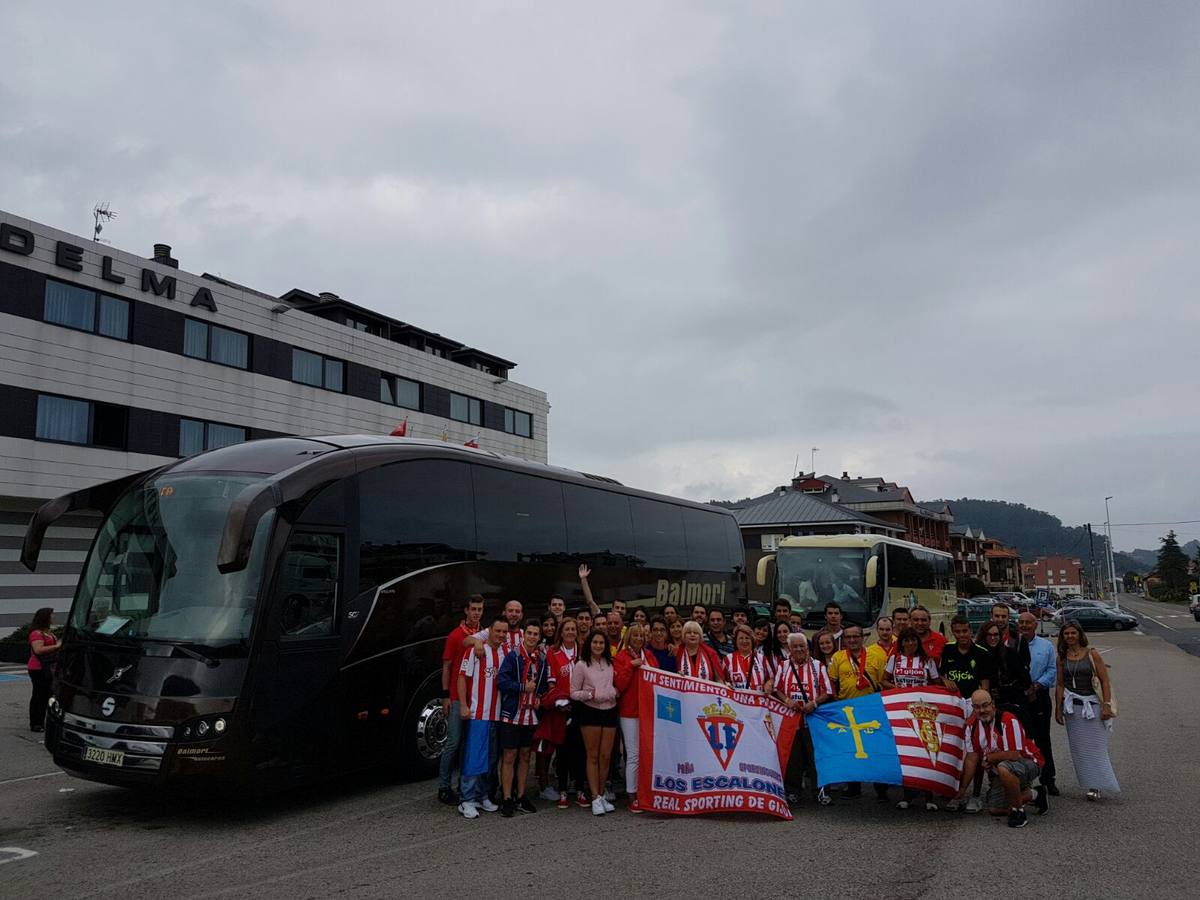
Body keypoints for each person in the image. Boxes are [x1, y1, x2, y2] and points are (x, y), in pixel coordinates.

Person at [955, 690, 1045, 828]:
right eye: (977, 707)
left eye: (985, 705)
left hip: (1029, 762)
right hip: (1001, 769)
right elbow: (972, 759)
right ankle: (1035, 794)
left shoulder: (1008, 720)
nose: (982, 710)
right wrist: (961, 790)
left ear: (993, 704)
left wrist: (989, 758)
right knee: (995, 809)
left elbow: (1014, 755)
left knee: (1005, 767)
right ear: (973, 708)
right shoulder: (971, 726)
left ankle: (1018, 812)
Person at [1055, 621, 1119, 802]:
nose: (1069, 636)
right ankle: (1090, 782)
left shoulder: (1092, 654)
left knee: (1097, 747)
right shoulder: (1062, 657)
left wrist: (1106, 704)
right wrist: (1058, 708)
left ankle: (1098, 784)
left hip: (1092, 706)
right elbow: (1060, 684)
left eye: (1073, 633)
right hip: (1073, 708)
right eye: (1066, 634)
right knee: (1079, 749)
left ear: (1079, 634)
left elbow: (1104, 680)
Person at [883, 628, 943, 811]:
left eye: (914, 640)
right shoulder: (895, 659)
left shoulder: (927, 661)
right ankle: (907, 796)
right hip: (901, 712)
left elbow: (936, 683)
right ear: (901, 642)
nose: (910, 644)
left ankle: (928, 797)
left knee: (926, 752)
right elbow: (883, 680)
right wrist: (897, 688)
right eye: (907, 640)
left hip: (923, 712)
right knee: (906, 753)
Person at [827, 625, 889, 800]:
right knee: (851, 751)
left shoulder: (877, 656)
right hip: (846, 710)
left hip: (871, 710)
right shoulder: (837, 657)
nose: (852, 640)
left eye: (856, 636)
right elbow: (831, 682)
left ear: (863, 638)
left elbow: (884, 682)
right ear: (844, 640)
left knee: (875, 751)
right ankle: (854, 787)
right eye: (848, 637)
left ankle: (881, 789)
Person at [497, 619, 551, 816]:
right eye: (529, 633)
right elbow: (502, 681)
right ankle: (506, 797)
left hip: (530, 716)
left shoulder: (542, 659)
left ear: (539, 637)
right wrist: (522, 687)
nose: (532, 637)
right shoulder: (513, 656)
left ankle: (520, 795)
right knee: (509, 755)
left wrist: (538, 696)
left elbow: (543, 685)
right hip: (512, 713)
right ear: (523, 634)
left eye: (536, 634)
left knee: (526, 755)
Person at [456, 617, 509, 818]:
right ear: (490, 631)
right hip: (478, 713)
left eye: (504, 632)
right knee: (474, 757)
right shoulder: (476, 650)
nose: (501, 635)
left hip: (496, 715)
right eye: (498, 631)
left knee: (491, 758)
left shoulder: (504, 653)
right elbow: (462, 677)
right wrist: (463, 704)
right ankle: (466, 799)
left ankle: (482, 795)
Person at [774, 632, 833, 807]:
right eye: (795, 647)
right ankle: (793, 792)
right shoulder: (783, 666)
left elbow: (828, 691)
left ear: (807, 648)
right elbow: (776, 689)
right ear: (789, 649)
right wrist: (787, 700)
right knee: (794, 759)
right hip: (791, 722)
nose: (799, 649)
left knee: (817, 758)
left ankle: (821, 792)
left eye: (802, 646)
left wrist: (814, 703)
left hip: (813, 720)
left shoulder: (818, 666)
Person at [439, 594, 485, 805]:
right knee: (453, 743)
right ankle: (444, 786)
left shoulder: (483, 635)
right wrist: (445, 695)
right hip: (458, 697)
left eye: (479, 609)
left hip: (475, 697)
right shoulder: (455, 636)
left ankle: (463, 785)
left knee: (467, 744)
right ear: (466, 610)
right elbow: (447, 666)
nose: (476, 613)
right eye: (473, 609)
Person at [571, 630, 620, 816]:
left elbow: (615, 684)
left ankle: (601, 793)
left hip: (610, 710)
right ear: (589, 644)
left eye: (601, 643)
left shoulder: (610, 664)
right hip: (590, 711)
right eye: (595, 642)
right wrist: (590, 694)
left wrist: (614, 691)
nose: (598, 646)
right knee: (592, 755)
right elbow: (574, 692)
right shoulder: (581, 665)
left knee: (605, 756)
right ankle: (594, 796)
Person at [534, 616, 580, 805]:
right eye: (567, 629)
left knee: (577, 748)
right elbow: (551, 681)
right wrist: (561, 701)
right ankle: (553, 785)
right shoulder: (553, 653)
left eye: (573, 629)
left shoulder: (582, 651)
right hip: (559, 707)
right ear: (561, 632)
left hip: (579, 705)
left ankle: (576, 784)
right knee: (556, 747)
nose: (570, 632)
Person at [1018, 611, 1058, 796]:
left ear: (1035, 625)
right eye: (1021, 622)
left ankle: (1048, 779)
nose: (1024, 625)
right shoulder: (1012, 644)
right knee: (1019, 741)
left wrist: (1037, 685)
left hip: (1039, 696)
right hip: (1018, 697)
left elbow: (1052, 670)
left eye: (1028, 622)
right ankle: (1021, 780)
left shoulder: (1046, 646)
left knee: (1043, 740)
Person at [613, 623, 649, 812]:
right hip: (629, 712)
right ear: (628, 638)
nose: (638, 639)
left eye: (641, 636)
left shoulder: (648, 656)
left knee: (646, 753)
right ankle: (632, 793)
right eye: (634, 636)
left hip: (648, 710)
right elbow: (619, 684)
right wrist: (630, 666)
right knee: (633, 753)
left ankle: (646, 790)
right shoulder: (621, 657)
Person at [938, 615, 992, 702]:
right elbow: (939, 674)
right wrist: (945, 680)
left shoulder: (982, 653)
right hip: (953, 700)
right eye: (957, 632)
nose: (962, 635)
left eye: (965, 631)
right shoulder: (947, 649)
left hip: (972, 701)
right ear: (952, 632)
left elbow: (985, 686)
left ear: (970, 631)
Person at [26, 607, 58, 733]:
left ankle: (46, 720)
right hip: (38, 667)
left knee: (49, 694)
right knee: (39, 695)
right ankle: (36, 722)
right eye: (51, 615)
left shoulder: (49, 633)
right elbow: (38, 649)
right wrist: (57, 646)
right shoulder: (36, 634)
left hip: (49, 667)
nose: (53, 617)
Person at [723, 624, 773, 693]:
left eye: (747, 638)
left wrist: (769, 684)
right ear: (735, 641)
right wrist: (726, 685)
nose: (744, 641)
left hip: (757, 701)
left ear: (752, 640)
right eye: (741, 638)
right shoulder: (727, 659)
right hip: (736, 701)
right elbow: (722, 680)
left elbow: (771, 678)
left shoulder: (761, 659)